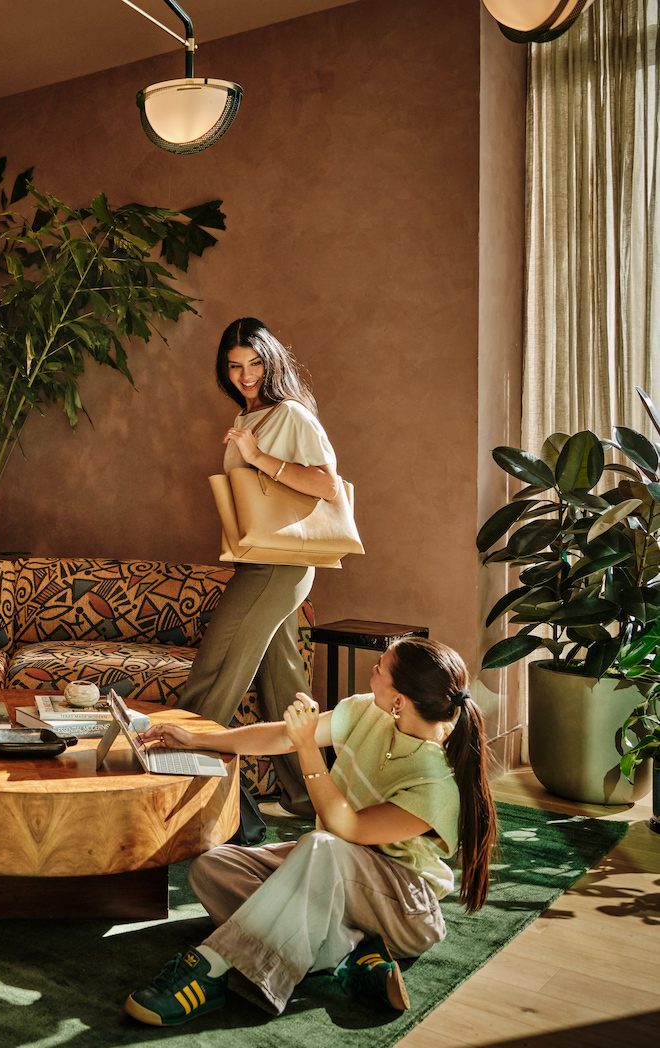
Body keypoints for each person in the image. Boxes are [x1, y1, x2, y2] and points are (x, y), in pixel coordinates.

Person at [125, 637, 496, 1026]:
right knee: (212, 868)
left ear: (400, 700)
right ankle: (348, 950)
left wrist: (308, 748)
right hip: (332, 871)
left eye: (379, 668)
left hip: (402, 907)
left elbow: (345, 828)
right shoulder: (368, 711)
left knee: (324, 844)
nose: (372, 670)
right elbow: (281, 736)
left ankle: (212, 967)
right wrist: (200, 738)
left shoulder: (437, 783)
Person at [175, 317, 340, 816]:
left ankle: (168, 782)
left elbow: (327, 485)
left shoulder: (290, 415)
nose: (245, 375)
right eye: (234, 366)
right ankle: (309, 797)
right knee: (281, 681)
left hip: (280, 566)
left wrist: (258, 456)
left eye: (255, 363)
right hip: (259, 562)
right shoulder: (249, 416)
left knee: (215, 673)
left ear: (272, 361)